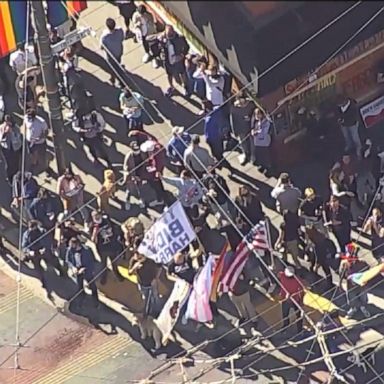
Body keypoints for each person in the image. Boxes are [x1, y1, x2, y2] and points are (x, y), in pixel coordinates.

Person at [22, 220, 64, 289]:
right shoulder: (26, 234)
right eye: (30, 228)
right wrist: (29, 251)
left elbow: (48, 241)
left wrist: (45, 248)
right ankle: (43, 281)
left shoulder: (43, 231)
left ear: (36, 226)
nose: (31, 229)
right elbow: (24, 246)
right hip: (34, 254)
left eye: (33, 227)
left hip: (44, 251)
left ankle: (59, 269)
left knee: (53, 260)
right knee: (38, 268)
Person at [89, 211, 124, 284]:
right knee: (103, 264)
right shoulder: (93, 226)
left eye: (97, 215)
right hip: (102, 249)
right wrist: (95, 232)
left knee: (114, 262)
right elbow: (93, 240)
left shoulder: (106, 220)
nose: (97, 217)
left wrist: (115, 237)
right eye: (95, 216)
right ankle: (104, 276)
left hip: (111, 246)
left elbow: (113, 227)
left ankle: (117, 273)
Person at [157, 25, 190, 97]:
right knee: (169, 75)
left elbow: (187, 47)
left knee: (182, 73)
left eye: (170, 33)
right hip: (167, 61)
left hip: (178, 61)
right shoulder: (163, 39)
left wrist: (182, 55)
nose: (168, 35)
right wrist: (162, 53)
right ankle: (171, 87)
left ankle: (185, 87)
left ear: (173, 31)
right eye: (167, 33)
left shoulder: (179, 38)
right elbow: (160, 47)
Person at [65, 237, 99, 307]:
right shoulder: (70, 250)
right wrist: (72, 267)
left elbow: (92, 262)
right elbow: (68, 260)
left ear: (77, 244)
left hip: (87, 271)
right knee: (79, 286)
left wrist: (85, 268)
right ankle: (82, 298)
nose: (71, 247)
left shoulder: (87, 250)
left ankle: (96, 302)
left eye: (72, 245)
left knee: (92, 286)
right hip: (77, 271)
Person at [128, 252, 161, 316]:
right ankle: (148, 310)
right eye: (136, 257)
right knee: (145, 297)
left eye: (140, 258)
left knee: (155, 296)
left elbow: (160, 267)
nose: (138, 259)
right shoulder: (134, 260)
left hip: (152, 283)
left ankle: (157, 310)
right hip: (141, 284)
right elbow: (129, 273)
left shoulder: (151, 259)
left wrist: (156, 278)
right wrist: (135, 267)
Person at [23, 109, 51, 176]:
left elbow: (46, 132)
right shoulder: (26, 118)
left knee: (42, 156)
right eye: (28, 116)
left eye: (30, 117)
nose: (28, 118)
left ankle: (46, 167)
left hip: (40, 143)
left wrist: (41, 137)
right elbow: (25, 126)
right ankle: (34, 164)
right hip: (30, 141)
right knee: (32, 154)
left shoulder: (42, 122)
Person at [278, 266, 305, 333]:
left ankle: (299, 329)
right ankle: (286, 325)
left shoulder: (297, 280)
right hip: (286, 299)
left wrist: (300, 300)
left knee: (298, 315)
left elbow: (301, 290)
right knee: (285, 314)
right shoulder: (283, 276)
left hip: (295, 300)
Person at [100, 18, 125, 86]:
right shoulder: (120, 30)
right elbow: (122, 38)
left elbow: (102, 47)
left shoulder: (105, 36)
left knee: (112, 68)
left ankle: (115, 80)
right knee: (118, 64)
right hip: (119, 52)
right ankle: (116, 76)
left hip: (111, 56)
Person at [230, 93, 254, 165]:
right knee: (243, 143)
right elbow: (232, 121)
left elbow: (255, 113)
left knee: (252, 143)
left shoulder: (250, 105)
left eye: (242, 100)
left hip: (250, 127)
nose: (241, 102)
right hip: (240, 129)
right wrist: (234, 131)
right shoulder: (234, 108)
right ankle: (246, 154)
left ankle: (253, 155)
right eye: (239, 100)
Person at [336, 95, 362, 159]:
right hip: (343, 125)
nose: (339, 106)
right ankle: (349, 146)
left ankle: (359, 150)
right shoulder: (339, 106)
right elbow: (337, 113)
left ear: (344, 102)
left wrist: (344, 120)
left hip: (352, 124)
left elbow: (354, 117)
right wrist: (339, 119)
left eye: (340, 105)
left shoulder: (353, 106)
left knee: (355, 137)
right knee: (346, 136)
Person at [0, 114, 22, 183]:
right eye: (6, 122)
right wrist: (4, 133)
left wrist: (11, 132)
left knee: (16, 162)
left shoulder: (16, 128)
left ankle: (16, 176)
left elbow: (16, 140)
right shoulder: (1, 127)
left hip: (16, 148)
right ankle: (9, 177)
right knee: (9, 164)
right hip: (6, 148)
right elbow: (1, 139)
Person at [250, 108, 272, 175]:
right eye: (256, 114)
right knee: (260, 155)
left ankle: (268, 169)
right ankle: (262, 166)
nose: (257, 116)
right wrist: (252, 131)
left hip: (264, 142)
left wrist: (256, 132)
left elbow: (264, 132)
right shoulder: (257, 122)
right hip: (257, 142)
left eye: (258, 114)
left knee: (265, 156)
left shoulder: (266, 122)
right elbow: (254, 128)